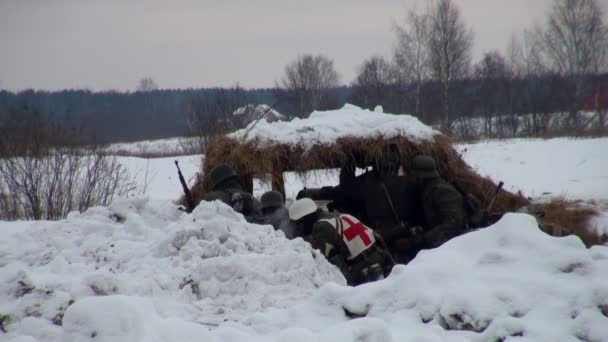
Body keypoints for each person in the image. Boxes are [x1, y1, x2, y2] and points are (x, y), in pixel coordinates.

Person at [288, 198, 394, 286]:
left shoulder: (320, 226)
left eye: (299, 223)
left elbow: (318, 259)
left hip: (362, 269)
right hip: (381, 257)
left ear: (305, 218)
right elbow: (378, 237)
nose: (299, 227)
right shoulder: (342, 215)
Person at [404, 155, 466, 257]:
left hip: (451, 245)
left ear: (421, 176)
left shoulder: (443, 191)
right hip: (439, 239)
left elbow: (453, 224)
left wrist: (422, 239)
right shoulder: (427, 189)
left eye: (415, 175)